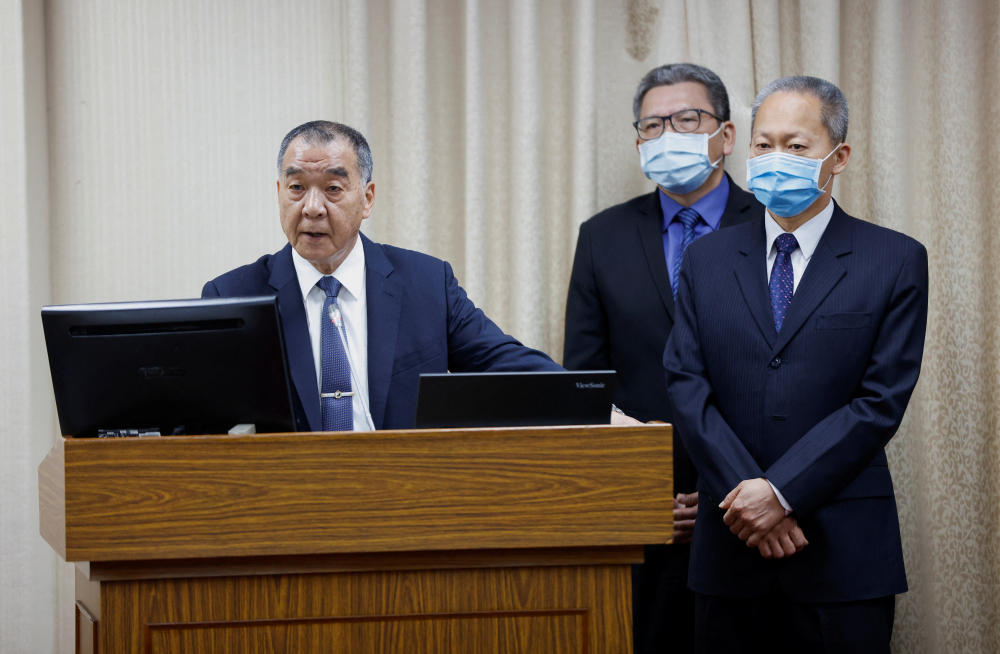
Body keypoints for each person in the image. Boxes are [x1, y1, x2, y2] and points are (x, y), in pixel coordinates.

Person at [664, 76, 928, 653]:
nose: (775, 159)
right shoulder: (705, 259)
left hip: (842, 550)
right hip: (729, 546)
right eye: (763, 145)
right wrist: (749, 494)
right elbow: (686, 383)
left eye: (796, 145)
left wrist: (781, 494)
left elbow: (880, 400)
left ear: (839, 157)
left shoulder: (895, 259)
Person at [563, 63, 762, 653]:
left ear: (725, 136)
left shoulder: (774, 227)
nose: (668, 133)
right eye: (653, 124)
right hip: (645, 517)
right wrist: (643, 490)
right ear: (638, 142)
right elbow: (586, 382)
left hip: (754, 508)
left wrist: (728, 489)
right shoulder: (602, 236)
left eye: (687, 119)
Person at [203, 120, 563, 432]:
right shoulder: (232, 297)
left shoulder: (427, 284)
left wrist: (601, 409)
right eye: (297, 188)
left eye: (332, 189)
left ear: (368, 199)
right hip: (288, 501)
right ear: (280, 194)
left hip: (402, 496)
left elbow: (506, 366)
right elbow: (198, 420)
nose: (312, 208)